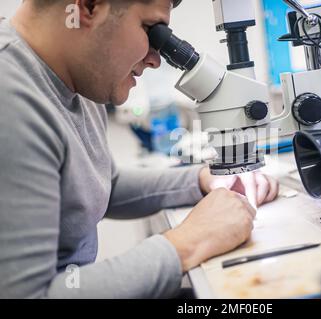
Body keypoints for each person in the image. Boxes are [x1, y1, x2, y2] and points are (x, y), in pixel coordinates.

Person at [0, 0, 279, 298]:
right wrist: (186, 242)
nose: (156, 59)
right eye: (150, 29)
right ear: (89, 7)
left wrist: (202, 180)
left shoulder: (76, 78)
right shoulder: (11, 99)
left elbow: (106, 185)